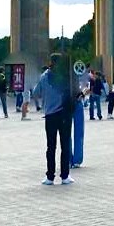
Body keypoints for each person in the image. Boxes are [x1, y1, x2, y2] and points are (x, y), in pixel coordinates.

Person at [32, 54, 74, 185]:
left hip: (50, 115)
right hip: (64, 114)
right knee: (65, 146)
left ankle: (50, 177)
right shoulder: (66, 77)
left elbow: (35, 93)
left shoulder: (44, 77)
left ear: (51, 62)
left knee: (51, 147)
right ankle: (65, 176)